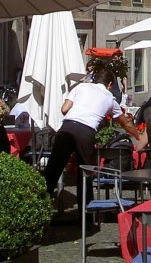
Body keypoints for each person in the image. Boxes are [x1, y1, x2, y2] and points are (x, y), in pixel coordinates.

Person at [43, 67, 140, 206]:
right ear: (110, 84)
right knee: (85, 173)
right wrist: (138, 136)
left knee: (53, 170)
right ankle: (85, 216)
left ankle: (39, 208)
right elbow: (126, 123)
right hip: (85, 131)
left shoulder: (81, 87)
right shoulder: (110, 98)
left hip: (67, 127)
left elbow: (64, 109)